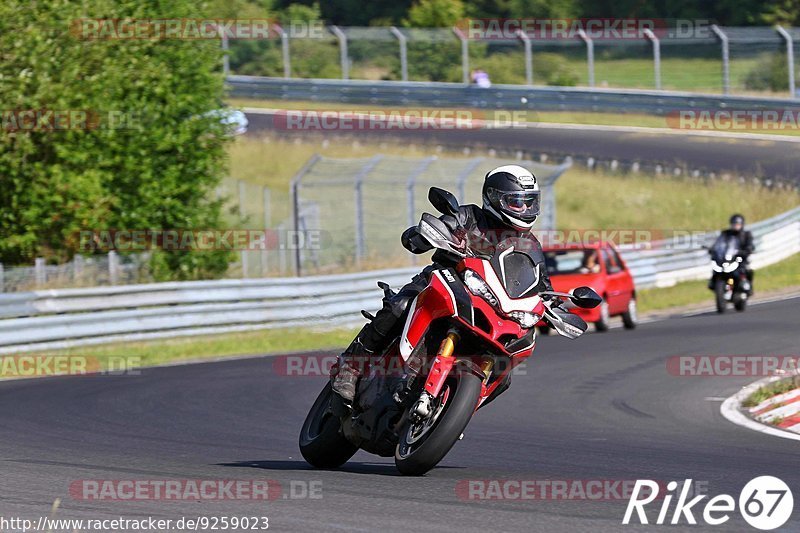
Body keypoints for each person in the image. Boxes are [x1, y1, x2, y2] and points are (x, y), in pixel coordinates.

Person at [331, 164, 557, 402]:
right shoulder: (469, 216)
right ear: (494, 198)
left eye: (530, 202)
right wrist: (424, 235)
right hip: (446, 282)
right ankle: (351, 367)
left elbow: (541, 283)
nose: (525, 209)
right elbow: (435, 229)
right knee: (401, 305)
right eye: (517, 202)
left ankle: (455, 405)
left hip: (490, 305)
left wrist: (554, 304)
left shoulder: (530, 245)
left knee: (505, 375)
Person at [708, 214, 755, 294]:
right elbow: (718, 243)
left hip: (740, 257)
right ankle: (713, 283)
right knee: (717, 269)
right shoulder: (726, 233)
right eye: (734, 224)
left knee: (746, 269)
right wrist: (713, 249)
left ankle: (747, 286)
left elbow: (750, 245)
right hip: (728, 258)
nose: (736, 226)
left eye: (738, 224)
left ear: (742, 224)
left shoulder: (746, 234)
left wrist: (748, 249)